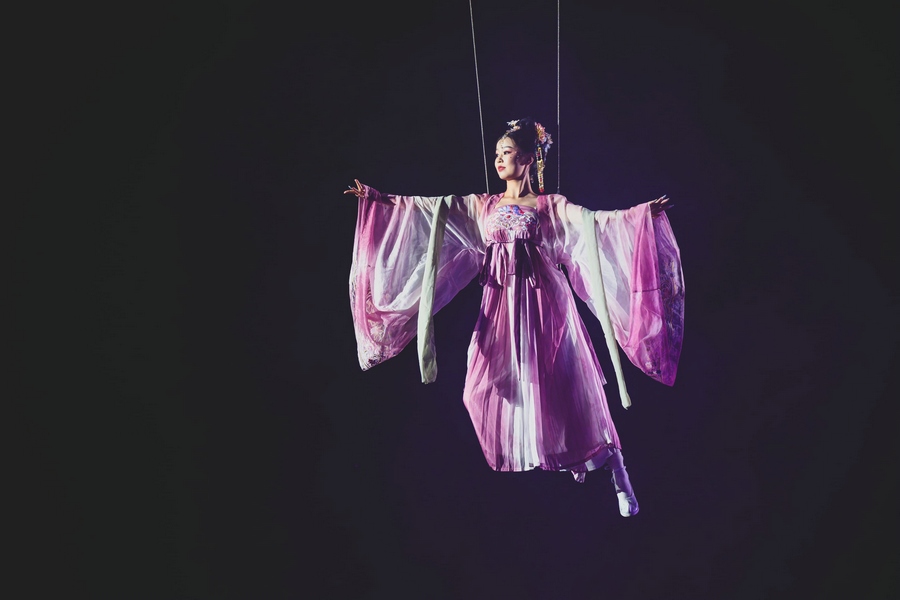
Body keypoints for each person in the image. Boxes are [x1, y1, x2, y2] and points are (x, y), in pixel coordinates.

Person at [344, 118, 683, 517]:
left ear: (526, 159)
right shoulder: (486, 206)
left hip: (545, 307)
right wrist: (381, 200)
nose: (499, 160)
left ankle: (619, 475)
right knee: (480, 388)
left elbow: (595, 221)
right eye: (497, 154)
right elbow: (433, 209)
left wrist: (639, 214)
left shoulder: (549, 206)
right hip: (501, 307)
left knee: (567, 390)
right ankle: (559, 452)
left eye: (506, 153)